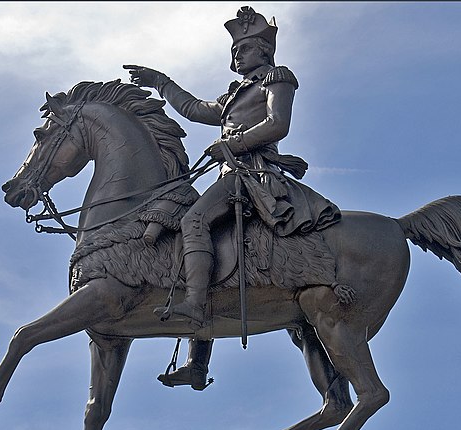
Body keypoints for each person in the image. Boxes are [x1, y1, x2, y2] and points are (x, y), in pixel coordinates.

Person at [124, 6, 340, 390]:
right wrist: (162, 81)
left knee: (192, 221)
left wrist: (231, 144)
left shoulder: (277, 79)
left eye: (243, 49)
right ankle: (196, 360)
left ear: (263, 51)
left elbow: (278, 124)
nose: (236, 57)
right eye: (234, 50)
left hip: (251, 174)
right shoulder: (234, 95)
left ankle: (191, 306)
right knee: (197, 238)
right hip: (231, 173)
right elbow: (194, 109)